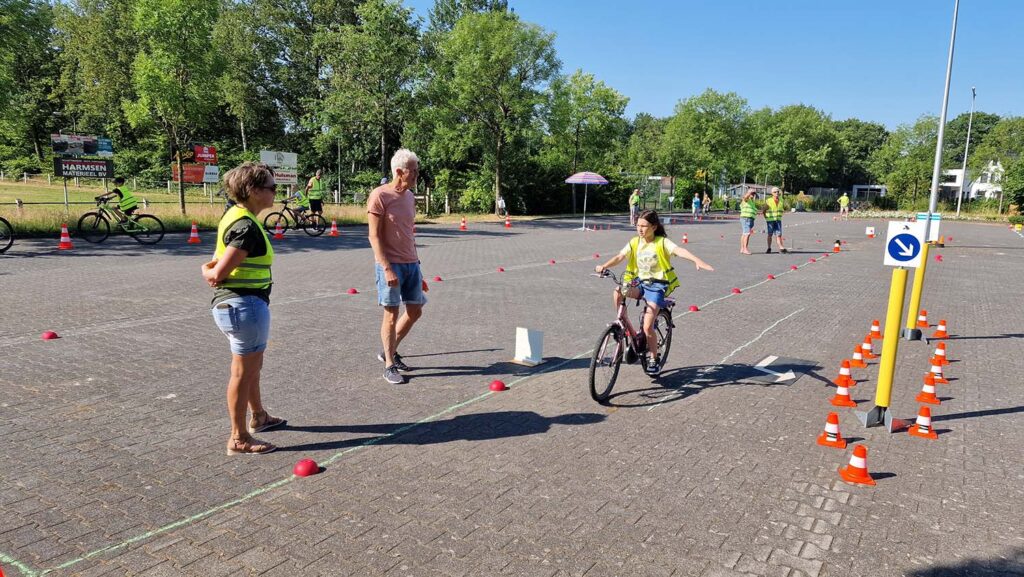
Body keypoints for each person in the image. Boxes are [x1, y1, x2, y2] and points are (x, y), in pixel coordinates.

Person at [201, 162, 286, 456]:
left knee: (251, 368)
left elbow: (219, 263)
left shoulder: (237, 216)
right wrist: (207, 271)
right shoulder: (246, 226)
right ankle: (238, 438)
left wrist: (213, 270)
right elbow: (217, 272)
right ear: (253, 191)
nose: (277, 192)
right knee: (242, 372)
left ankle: (259, 416)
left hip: (242, 305)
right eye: (272, 188)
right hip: (243, 305)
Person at [595, 209, 714, 376]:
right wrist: (604, 266)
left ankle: (653, 357)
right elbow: (620, 257)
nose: (640, 229)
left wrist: (697, 260)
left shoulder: (662, 242)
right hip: (639, 283)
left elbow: (680, 250)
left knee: (647, 326)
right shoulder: (635, 242)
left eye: (644, 226)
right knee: (618, 291)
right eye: (638, 226)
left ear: (654, 226)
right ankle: (624, 326)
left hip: (657, 286)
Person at [368, 149, 426, 385]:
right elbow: (373, 236)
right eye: (414, 170)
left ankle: (388, 350)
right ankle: (390, 365)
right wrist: (386, 268)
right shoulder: (379, 196)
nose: (417, 174)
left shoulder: (410, 197)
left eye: (417, 170)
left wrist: (419, 268)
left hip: (411, 263)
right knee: (390, 315)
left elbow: (408, 234)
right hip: (390, 265)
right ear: (400, 172)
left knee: (415, 310)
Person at [763, 187, 788, 253]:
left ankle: (781, 248)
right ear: (772, 193)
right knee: (770, 234)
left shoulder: (781, 200)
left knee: (779, 234)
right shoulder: (768, 200)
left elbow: (783, 208)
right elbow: (764, 209)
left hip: (778, 219)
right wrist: (765, 216)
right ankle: (769, 248)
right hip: (770, 220)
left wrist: (782, 213)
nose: (777, 193)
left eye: (777, 192)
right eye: (775, 192)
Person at [739, 187, 758, 255]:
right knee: (747, 234)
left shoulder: (752, 202)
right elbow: (745, 197)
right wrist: (749, 192)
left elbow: (753, 210)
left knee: (745, 234)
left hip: (750, 219)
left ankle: (742, 248)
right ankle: (745, 249)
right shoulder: (746, 200)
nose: (753, 195)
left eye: (754, 194)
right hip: (746, 218)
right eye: (752, 193)